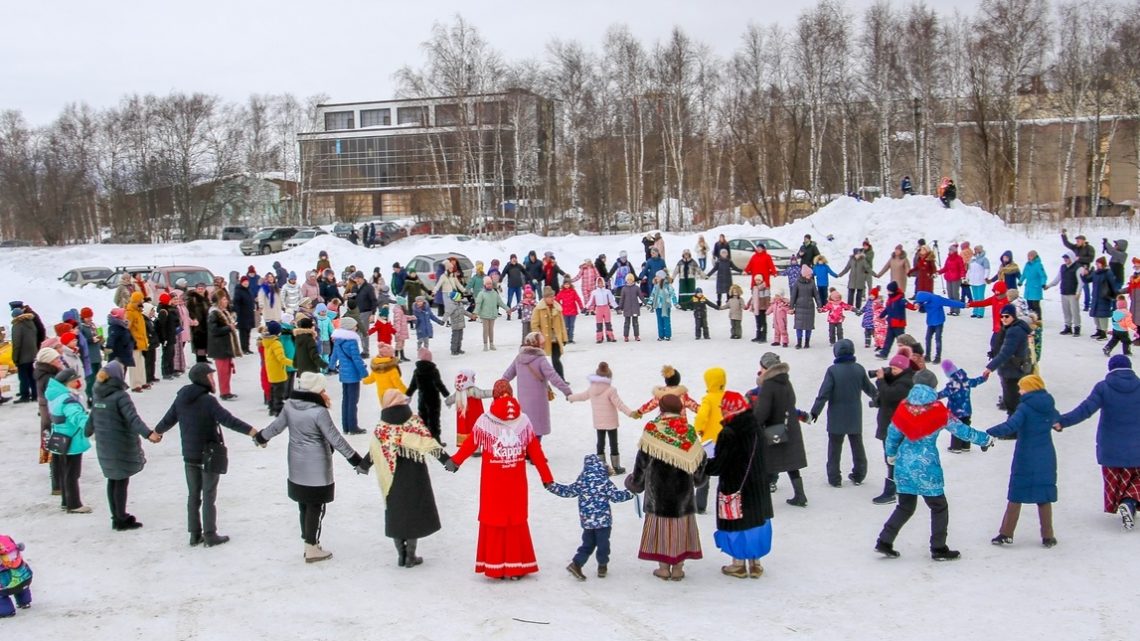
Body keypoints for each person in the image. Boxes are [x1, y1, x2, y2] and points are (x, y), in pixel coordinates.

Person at [874, 370, 994, 560]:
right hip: (926, 464)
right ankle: (938, 547)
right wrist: (985, 440)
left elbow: (893, 434)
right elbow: (961, 430)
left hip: (904, 463)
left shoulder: (904, 406)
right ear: (933, 386)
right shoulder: (939, 410)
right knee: (939, 506)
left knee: (905, 506)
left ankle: (884, 541)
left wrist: (891, 455)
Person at [449, 380, 554, 579]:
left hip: (493, 482)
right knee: (515, 520)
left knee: (494, 520)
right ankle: (517, 567)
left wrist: (455, 462)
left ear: (495, 397)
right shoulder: (523, 421)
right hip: (516, 482)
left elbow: (471, 443)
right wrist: (546, 477)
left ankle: (495, 566)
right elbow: (536, 452)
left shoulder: (485, 421)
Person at [255, 372, 363, 563]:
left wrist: (262, 437)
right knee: (315, 506)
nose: (324, 391)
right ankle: (312, 547)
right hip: (317, 464)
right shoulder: (318, 411)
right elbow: (335, 438)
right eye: (322, 388)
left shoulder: (290, 406)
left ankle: (309, 543)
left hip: (296, 463)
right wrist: (355, 460)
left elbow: (276, 426)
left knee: (303, 504)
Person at [154, 362, 257, 547]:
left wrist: (157, 432)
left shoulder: (181, 398)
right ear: (203, 379)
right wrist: (252, 432)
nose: (213, 380)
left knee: (193, 495)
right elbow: (228, 420)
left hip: (189, 455)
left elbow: (169, 419)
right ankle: (210, 534)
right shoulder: (207, 400)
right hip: (208, 454)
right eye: (210, 376)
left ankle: (194, 534)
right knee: (209, 494)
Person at [356, 389, 455, 567]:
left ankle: (401, 555)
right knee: (413, 513)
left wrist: (363, 466)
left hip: (391, 477)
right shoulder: (413, 422)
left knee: (397, 514)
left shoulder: (383, 427)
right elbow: (428, 442)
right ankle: (411, 555)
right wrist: (447, 461)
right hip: (415, 475)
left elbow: (374, 451)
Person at [624, 394, 708, 581]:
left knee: (662, 531)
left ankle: (663, 568)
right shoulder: (688, 431)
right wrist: (698, 479)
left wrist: (636, 483)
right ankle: (678, 569)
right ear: (680, 409)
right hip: (683, 496)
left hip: (658, 495)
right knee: (681, 530)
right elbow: (700, 463)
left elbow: (642, 462)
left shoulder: (653, 430)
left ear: (661, 409)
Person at [1055, 355, 1140, 530]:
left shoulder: (1103, 388)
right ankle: (1130, 501)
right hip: (1137, 447)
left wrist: (1062, 421)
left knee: (1117, 481)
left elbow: (1084, 410)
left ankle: (1126, 503)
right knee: (1137, 479)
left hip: (1110, 447)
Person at [985, 374, 1060, 548]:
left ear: (1030, 388)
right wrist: (1057, 424)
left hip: (1026, 455)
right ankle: (1048, 536)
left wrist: (989, 432)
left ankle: (1006, 533)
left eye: (1022, 387)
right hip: (1046, 455)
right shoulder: (1049, 405)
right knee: (1044, 494)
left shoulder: (1024, 408)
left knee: (1016, 494)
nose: (1019, 391)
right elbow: (1057, 420)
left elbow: (1011, 426)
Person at [85, 361, 160, 531]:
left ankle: (117, 516)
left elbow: (92, 419)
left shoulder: (98, 394)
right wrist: (149, 434)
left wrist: (86, 431)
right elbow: (133, 419)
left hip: (104, 445)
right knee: (120, 481)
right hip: (120, 445)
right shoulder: (120, 396)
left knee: (113, 480)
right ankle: (121, 519)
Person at [708, 391, 774, 579]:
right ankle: (756, 564)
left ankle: (738, 564)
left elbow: (719, 465)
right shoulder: (756, 428)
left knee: (737, 524)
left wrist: (703, 463)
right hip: (759, 486)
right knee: (756, 523)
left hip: (735, 486)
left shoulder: (728, 433)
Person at [548, 454, 635, 581]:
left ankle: (576, 564)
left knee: (588, 544)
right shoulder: (605, 482)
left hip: (587, 522)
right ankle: (602, 565)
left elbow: (567, 491)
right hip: (603, 522)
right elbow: (616, 497)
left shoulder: (582, 482)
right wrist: (631, 493)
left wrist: (551, 486)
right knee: (603, 545)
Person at [810, 339, 878, 487]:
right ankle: (859, 474)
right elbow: (870, 389)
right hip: (854, 414)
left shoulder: (833, 371)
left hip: (836, 415)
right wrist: (881, 399)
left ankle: (834, 478)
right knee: (857, 445)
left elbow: (824, 393)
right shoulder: (859, 369)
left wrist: (815, 412)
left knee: (834, 447)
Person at [750, 352, 808, 506]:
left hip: (774, 428)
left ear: (766, 368)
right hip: (789, 426)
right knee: (791, 462)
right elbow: (792, 401)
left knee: (767, 461)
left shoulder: (768, 384)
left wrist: (752, 423)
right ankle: (800, 495)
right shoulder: (785, 381)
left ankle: (762, 498)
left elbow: (763, 411)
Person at [502, 332, 572, 441]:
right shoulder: (540, 359)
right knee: (537, 428)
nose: (543, 345)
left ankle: (527, 451)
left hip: (523, 400)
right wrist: (567, 391)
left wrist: (499, 388)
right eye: (542, 343)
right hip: (538, 400)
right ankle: (534, 452)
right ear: (536, 344)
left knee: (526, 426)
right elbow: (554, 377)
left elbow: (507, 375)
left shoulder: (519, 358)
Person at [567, 362, 634, 475]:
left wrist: (570, 397)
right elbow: (619, 404)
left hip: (598, 421)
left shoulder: (592, 388)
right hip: (611, 422)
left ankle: (602, 467)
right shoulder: (611, 390)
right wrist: (631, 413)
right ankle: (616, 467)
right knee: (613, 443)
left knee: (600, 443)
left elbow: (582, 397)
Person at [871, 349, 916, 504]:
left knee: (891, 458)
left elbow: (889, 395)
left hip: (896, 427)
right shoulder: (898, 379)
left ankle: (891, 492)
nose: (892, 370)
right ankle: (901, 487)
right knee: (892, 458)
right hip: (890, 425)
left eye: (895, 368)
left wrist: (881, 380)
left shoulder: (906, 383)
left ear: (903, 370)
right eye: (891, 368)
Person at [45, 368, 92, 513]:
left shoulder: (55, 396)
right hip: (72, 439)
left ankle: (66, 501)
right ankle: (74, 504)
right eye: (75, 380)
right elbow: (77, 417)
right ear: (68, 382)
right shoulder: (67, 399)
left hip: (60, 437)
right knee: (73, 473)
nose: (77, 382)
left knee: (65, 471)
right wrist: (90, 426)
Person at [984, 304, 1033, 418]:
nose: (1004, 319)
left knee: (1012, 402)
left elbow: (1006, 353)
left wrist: (990, 367)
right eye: (1002, 316)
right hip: (1012, 369)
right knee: (1013, 399)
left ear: (1013, 316)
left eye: (1007, 316)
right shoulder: (1011, 327)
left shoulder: (1014, 331)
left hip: (1012, 371)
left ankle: (1013, 429)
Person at [938, 359, 988, 453]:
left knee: (957, 428)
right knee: (966, 426)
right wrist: (983, 378)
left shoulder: (952, 386)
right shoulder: (966, 381)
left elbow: (941, 394)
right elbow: (976, 381)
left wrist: (930, 397)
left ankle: (956, 447)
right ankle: (966, 446)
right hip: (967, 410)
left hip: (955, 411)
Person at [206, 291, 242, 401]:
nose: (226, 301)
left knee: (227, 370)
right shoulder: (214, 313)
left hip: (226, 345)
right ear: (218, 301)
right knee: (223, 371)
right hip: (219, 346)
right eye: (224, 299)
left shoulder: (224, 312)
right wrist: (229, 328)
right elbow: (214, 330)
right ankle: (224, 392)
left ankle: (227, 390)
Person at [532, 286, 569, 376]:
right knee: (541, 361)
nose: (553, 298)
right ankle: (540, 380)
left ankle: (561, 379)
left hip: (556, 339)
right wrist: (539, 337)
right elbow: (534, 325)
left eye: (553, 296)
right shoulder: (538, 309)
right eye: (550, 297)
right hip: (544, 340)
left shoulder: (557, 307)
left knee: (556, 359)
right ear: (545, 298)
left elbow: (562, 324)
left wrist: (564, 338)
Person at [1045, 251, 1083, 335]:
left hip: (1073, 293)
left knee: (1075, 311)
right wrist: (1049, 285)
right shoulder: (1063, 267)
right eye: (1064, 258)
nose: (1065, 260)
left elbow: (1081, 281)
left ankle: (1077, 327)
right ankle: (1068, 326)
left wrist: (1078, 292)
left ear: (1071, 258)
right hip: (1064, 291)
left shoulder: (1078, 268)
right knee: (1066, 310)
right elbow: (1058, 278)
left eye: (1067, 258)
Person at [1061, 230, 1096, 311]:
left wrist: (1080, 258)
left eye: (1078, 241)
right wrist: (1063, 235)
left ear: (1083, 241)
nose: (1077, 242)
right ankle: (1072, 302)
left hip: (1084, 269)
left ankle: (1087, 304)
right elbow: (1067, 244)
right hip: (1075, 269)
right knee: (1074, 286)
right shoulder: (1076, 247)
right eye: (1076, 241)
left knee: (1084, 286)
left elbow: (1091, 258)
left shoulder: (1089, 248)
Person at [0, 534, 33, 618]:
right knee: (21, 588)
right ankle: (25, 602)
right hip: (24, 576)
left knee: (1, 595)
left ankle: (6, 611)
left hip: (5, 583)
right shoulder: (7, 542)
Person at [790, 264, 821, 349]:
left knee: (809, 326)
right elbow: (793, 296)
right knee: (799, 326)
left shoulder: (812, 283)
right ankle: (799, 342)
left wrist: (819, 305)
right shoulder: (797, 283)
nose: (810, 276)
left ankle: (807, 342)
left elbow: (816, 295)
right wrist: (791, 307)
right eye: (809, 274)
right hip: (799, 307)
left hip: (809, 307)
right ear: (804, 274)